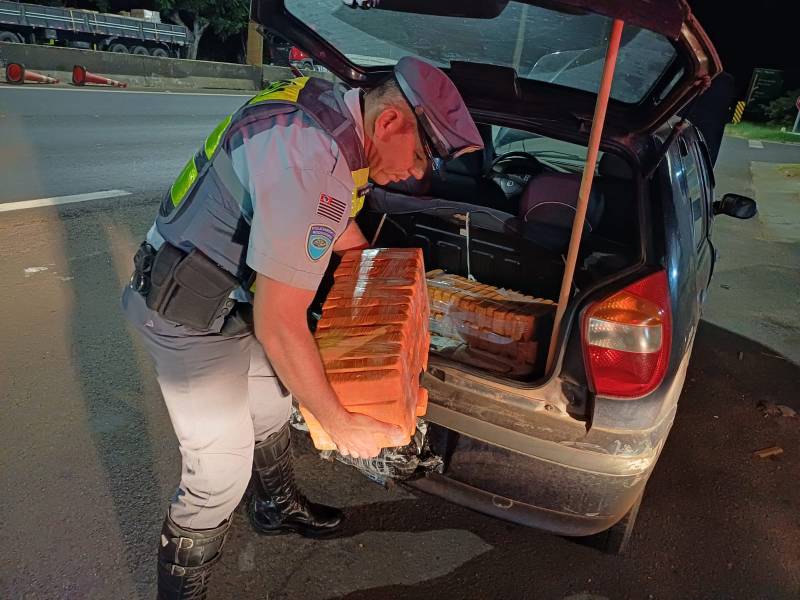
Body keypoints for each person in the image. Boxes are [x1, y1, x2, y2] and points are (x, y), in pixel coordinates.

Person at [120, 56, 483, 599]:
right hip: (186, 313)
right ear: (390, 123)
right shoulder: (310, 159)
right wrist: (340, 425)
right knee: (218, 474)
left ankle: (275, 506)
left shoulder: (330, 111)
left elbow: (328, 217)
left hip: (234, 300)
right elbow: (281, 322)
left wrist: (371, 264)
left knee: (270, 404)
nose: (418, 174)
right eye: (422, 156)